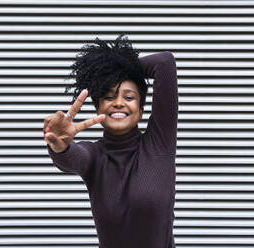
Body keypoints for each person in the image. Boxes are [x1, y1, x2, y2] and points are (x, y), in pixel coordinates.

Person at [43, 34, 178, 248]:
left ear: (141, 110)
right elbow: (71, 158)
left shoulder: (159, 143)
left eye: (129, 97)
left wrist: (113, 68)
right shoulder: (94, 156)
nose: (118, 103)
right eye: (108, 97)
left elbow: (164, 62)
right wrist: (60, 146)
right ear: (98, 109)